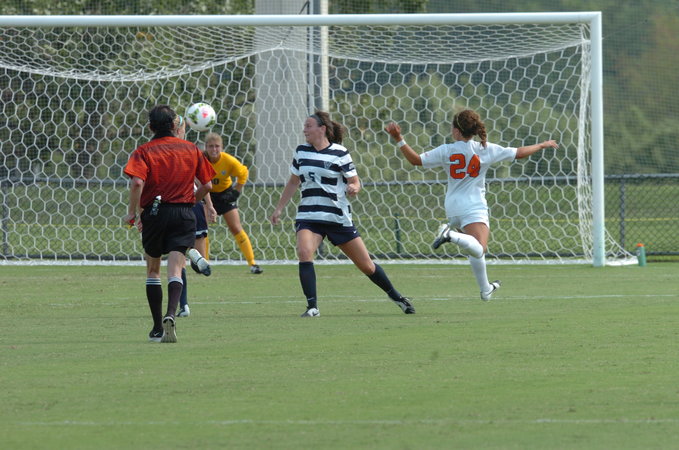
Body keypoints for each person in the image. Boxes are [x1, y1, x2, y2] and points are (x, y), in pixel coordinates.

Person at [385, 109, 559, 300]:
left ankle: (485, 289)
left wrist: (399, 138)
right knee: (480, 248)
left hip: (452, 207)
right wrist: (541, 145)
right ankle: (449, 235)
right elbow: (518, 153)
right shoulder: (485, 149)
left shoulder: (447, 150)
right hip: (473, 206)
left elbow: (416, 160)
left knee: (473, 248)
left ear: (457, 131)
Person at [270, 110, 415, 317]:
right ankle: (312, 307)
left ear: (322, 129)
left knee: (367, 266)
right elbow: (294, 182)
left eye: (308, 126)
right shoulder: (301, 152)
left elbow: (354, 181)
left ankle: (396, 296)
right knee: (304, 252)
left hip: (337, 217)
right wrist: (279, 208)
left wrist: (354, 188)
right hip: (309, 216)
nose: (304, 130)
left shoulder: (340, 153)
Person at [123, 105, 215, 342]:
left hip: (154, 213)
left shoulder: (143, 151)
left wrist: (132, 213)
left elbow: (136, 183)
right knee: (175, 268)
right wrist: (190, 201)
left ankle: (157, 328)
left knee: (153, 269)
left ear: (150, 127)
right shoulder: (191, 149)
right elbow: (207, 185)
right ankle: (171, 314)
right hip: (183, 213)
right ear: (175, 125)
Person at [175, 116, 218, 318]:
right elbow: (204, 182)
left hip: (173, 205)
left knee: (176, 257)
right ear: (181, 130)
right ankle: (195, 256)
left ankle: (183, 306)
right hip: (194, 205)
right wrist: (208, 205)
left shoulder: (156, 150)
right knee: (196, 264)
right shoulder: (191, 150)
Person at [204, 132, 263, 274]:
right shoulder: (201, 159)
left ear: (222, 147)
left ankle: (252, 263)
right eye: (210, 146)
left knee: (236, 228)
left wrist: (236, 191)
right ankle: (204, 264)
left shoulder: (229, 161)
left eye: (217, 146)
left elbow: (244, 173)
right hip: (207, 195)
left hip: (225, 194)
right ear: (205, 147)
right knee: (202, 230)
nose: (214, 149)